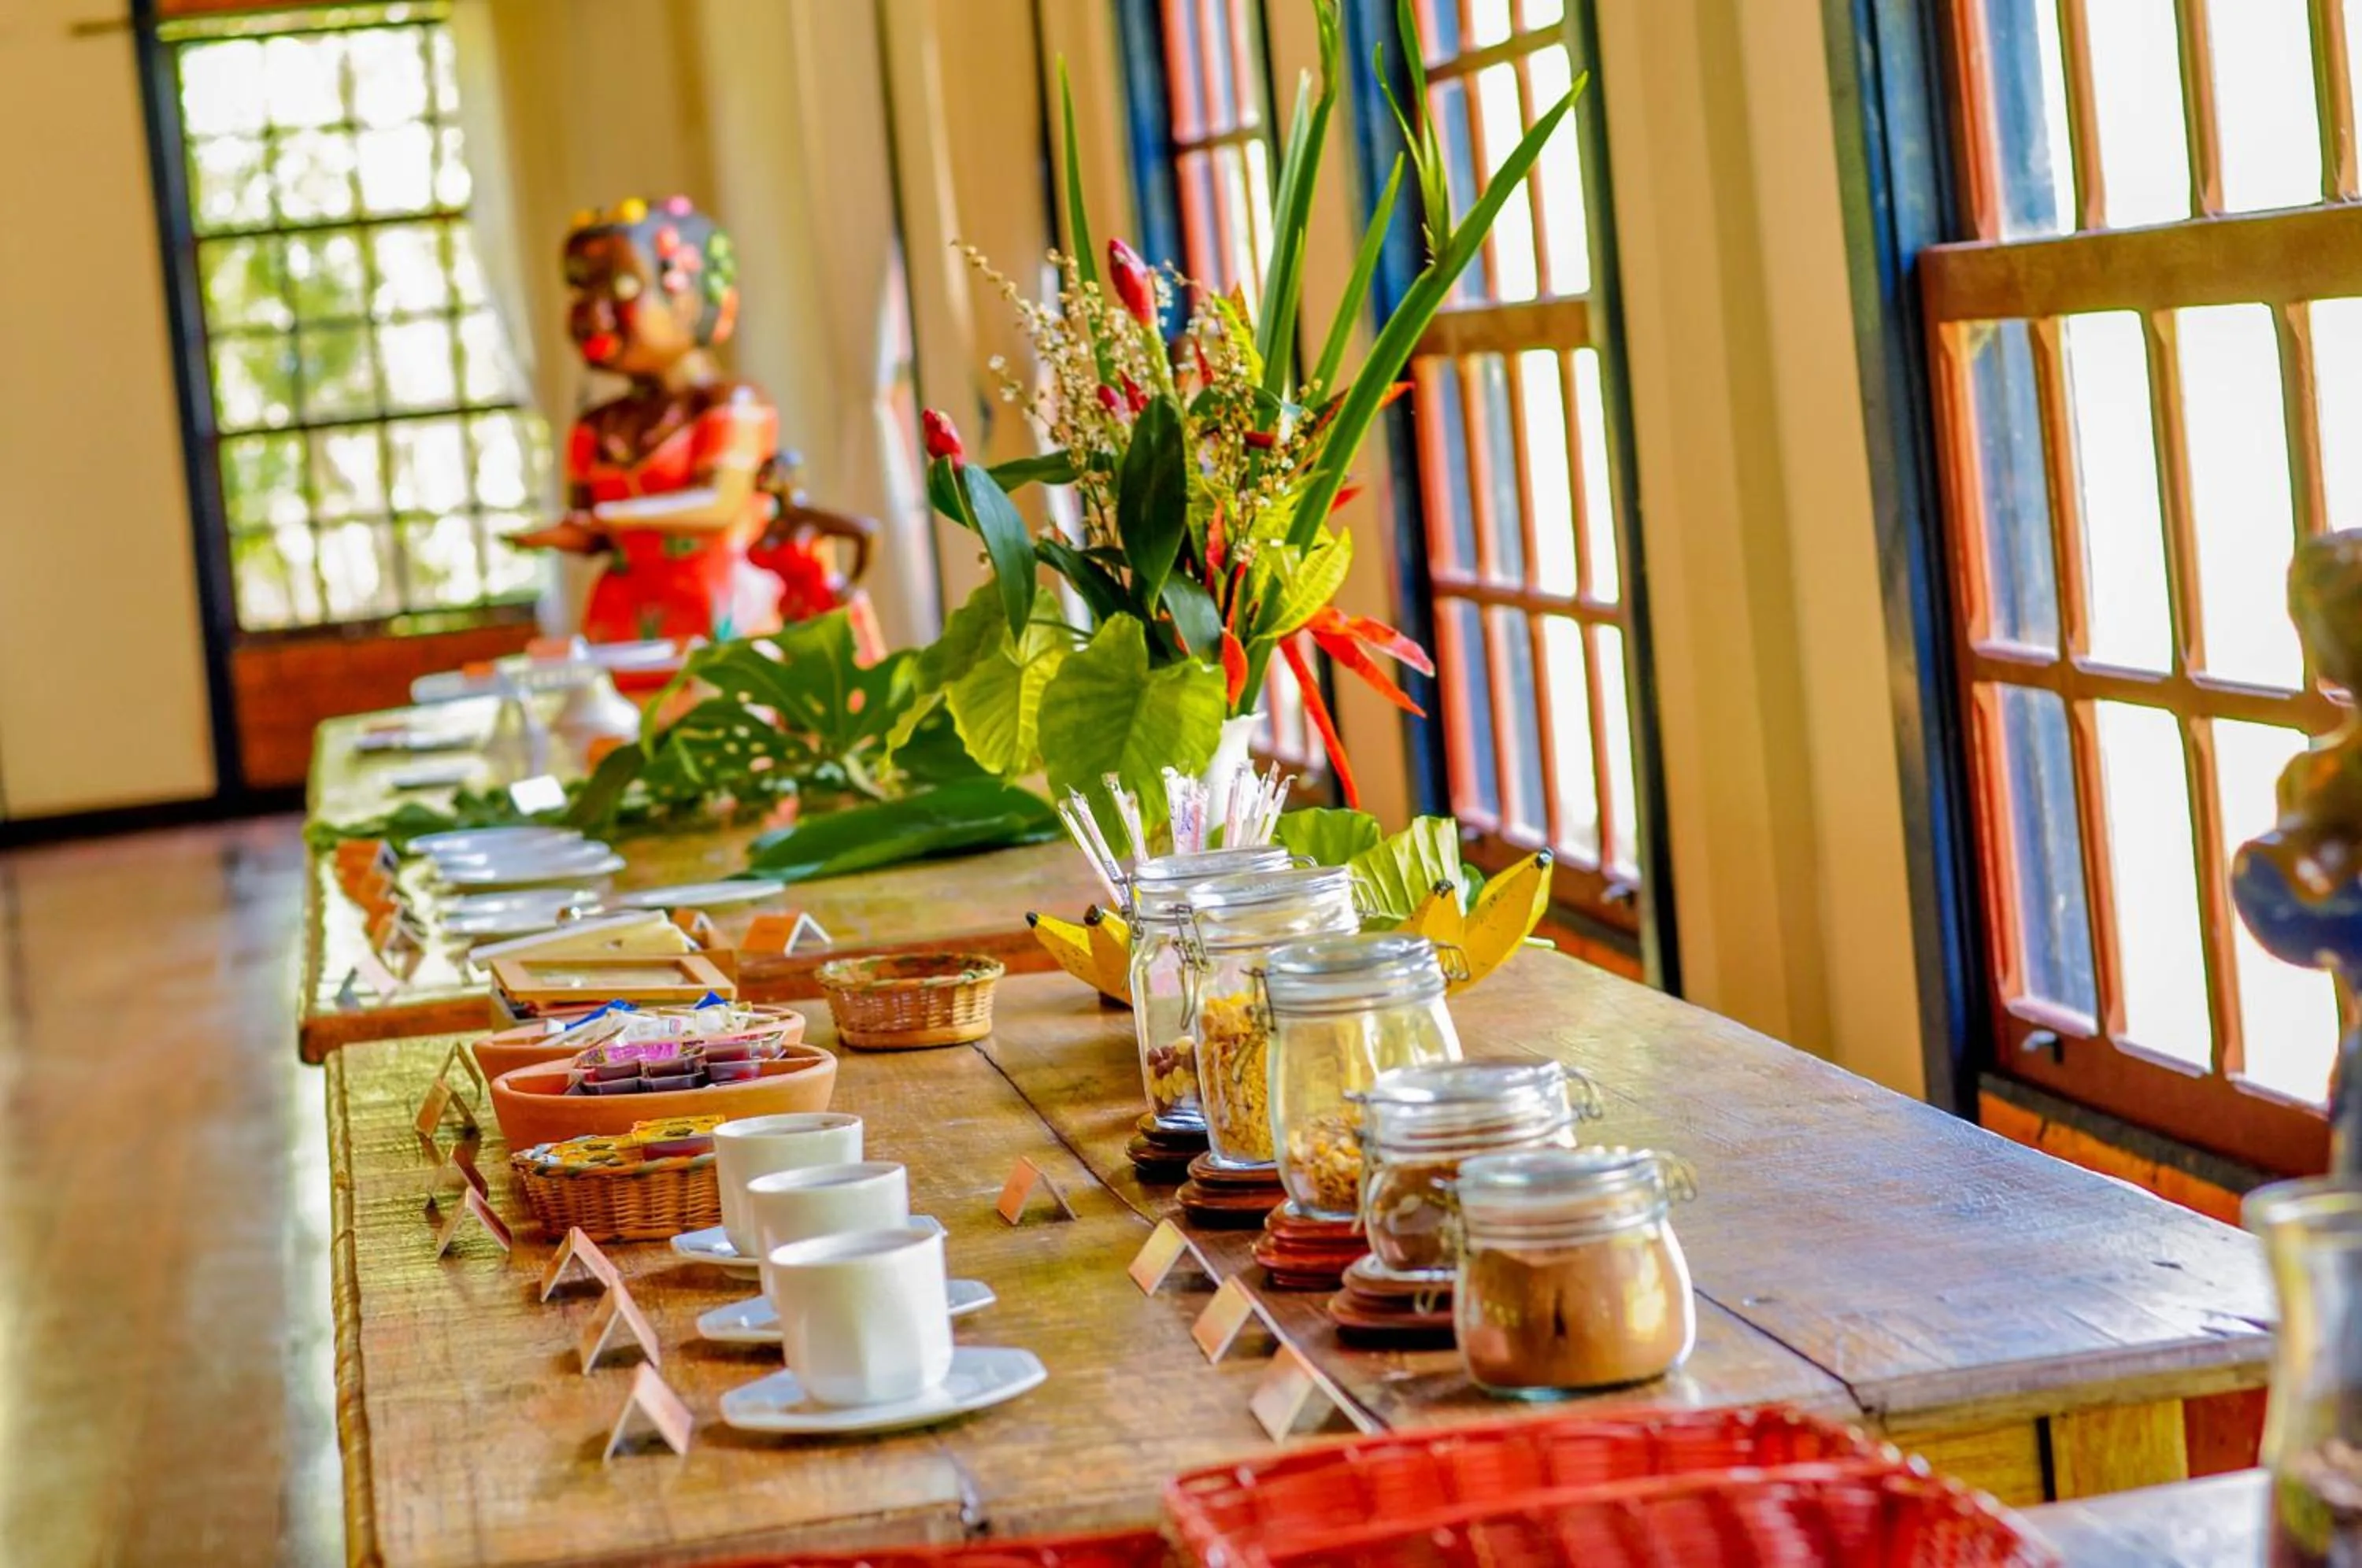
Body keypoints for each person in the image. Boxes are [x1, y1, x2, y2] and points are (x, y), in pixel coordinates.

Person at [509, 195, 872, 655]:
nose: (592, 311)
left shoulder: (731, 404)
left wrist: (613, 517)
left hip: (721, 617)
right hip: (621, 623)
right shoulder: (596, 425)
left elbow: (720, 505)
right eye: (581, 289)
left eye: (620, 288)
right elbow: (589, 531)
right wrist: (549, 534)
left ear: (689, 301)